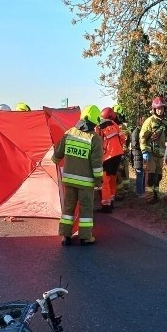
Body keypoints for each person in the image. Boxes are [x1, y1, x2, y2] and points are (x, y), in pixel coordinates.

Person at [52, 104, 104, 245]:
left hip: (68, 179)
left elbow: (57, 154)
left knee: (68, 208)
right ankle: (85, 237)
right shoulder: (95, 139)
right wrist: (99, 181)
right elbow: (97, 164)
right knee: (86, 209)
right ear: (95, 121)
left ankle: (65, 236)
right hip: (86, 183)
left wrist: (55, 161)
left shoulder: (69, 133)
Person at [139, 96, 167, 203]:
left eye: (162, 108)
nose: (160, 110)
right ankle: (149, 197)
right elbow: (142, 136)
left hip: (160, 154)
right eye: (158, 108)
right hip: (150, 154)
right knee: (150, 176)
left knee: (158, 176)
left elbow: (166, 139)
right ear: (154, 109)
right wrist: (144, 151)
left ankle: (156, 194)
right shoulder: (149, 121)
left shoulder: (165, 124)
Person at [96, 107, 126, 213]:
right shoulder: (115, 124)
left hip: (108, 157)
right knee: (113, 179)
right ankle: (111, 201)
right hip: (118, 155)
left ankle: (106, 206)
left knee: (104, 181)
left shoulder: (99, 126)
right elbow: (123, 138)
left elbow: (97, 143)